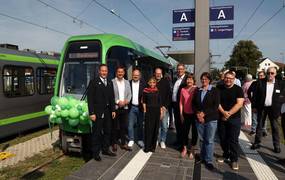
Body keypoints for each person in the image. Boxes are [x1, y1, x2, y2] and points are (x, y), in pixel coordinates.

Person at [87, 64, 116, 161]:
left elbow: (112, 97)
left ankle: (105, 149)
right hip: (97, 113)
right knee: (97, 133)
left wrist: (113, 110)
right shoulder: (94, 82)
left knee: (108, 131)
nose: (104, 72)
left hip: (108, 112)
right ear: (99, 71)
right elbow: (90, 99)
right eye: (102, 71)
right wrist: (91, 113)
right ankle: (95, 153)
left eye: (106, 71)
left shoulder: (109, 82)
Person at [251, 67, 284, 153]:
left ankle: (276, 145)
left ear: (275, 74)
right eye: (268, 73)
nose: (270, 75)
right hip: (262, 107)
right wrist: (254, 106)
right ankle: (257, 142)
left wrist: (280, 106)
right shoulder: (260, 82)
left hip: (274, 109)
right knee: (259, 125)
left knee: (275, 127)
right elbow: (255, 95)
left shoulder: (280, 84)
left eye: (272, 73)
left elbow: (283, 97)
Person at [217, 71, 244, 171]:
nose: (228, 80)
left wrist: (228, 114)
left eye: (231, 78)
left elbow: (239, 104)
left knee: (233, 140)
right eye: (226, 78)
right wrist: (223, 112)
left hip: (234, 118)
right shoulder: (219, 88)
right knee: (223, 138)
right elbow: (217, 102)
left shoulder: (238, 89)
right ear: (224, 78)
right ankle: (225, 154)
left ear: (234, 79)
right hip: (222, 117)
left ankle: (234, 159)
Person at [193, 72, 220, 170]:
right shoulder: (198, 90)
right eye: (202, 79)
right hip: (199, 118)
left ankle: (208, 160)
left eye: (206, 79)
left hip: (211, 119)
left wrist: (203, 114)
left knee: (209, 140)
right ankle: (202, 157)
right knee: (201, 139)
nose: (204, 80)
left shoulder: (214, 90)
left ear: (209, 80)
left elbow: (215, 106)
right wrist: (198, 114)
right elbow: (194, 104)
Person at [111, 66, 132, 152]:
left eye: (122, 72)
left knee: (123, 126)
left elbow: (130, 94)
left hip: (125, 107)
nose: (120, 73)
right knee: (115, 126)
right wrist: (118, 101)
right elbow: (111, 95)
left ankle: (123, 143)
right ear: (116, 73)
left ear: (124, 73)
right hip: (116, 108)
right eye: (119, 72)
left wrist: (126, 101)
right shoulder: (112, 82)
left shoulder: (127, 82)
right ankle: (114, 143)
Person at [179, 74, 198, 159]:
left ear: (194, 81)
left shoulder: (196, 89)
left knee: (195, 132)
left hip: (194, 114)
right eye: (187, 79)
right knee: (184, 132)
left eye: (191, 79)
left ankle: (192, 149)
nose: (189, 81)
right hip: (186, 114)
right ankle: (185, 148)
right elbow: (181, 103)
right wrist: (181, 114)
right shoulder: (183, 89)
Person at [142, 77, 162, 153]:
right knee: (148, 129)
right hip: (149, 111)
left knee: (155, 129)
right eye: (151, 82)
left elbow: (160, 102)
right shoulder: (145, 91)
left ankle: (153, 147)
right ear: (148, 83)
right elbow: (144, 101)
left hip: (157, 111)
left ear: (155, 83)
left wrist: (161, 112)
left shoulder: (157, 91)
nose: (152, 84)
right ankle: (147, 147)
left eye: (154, 82)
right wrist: (145, 110)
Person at [128, 69, 146, 149]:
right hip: (131, 107)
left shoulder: (143, 84)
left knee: (140, 124)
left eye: (137, 75)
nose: (135, 76)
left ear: (139, 76)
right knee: (130, 125)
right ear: (132, 75)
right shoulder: (128, 83)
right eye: (134, 75)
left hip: (140, 107)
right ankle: (131, 139)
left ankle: (140, 139)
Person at [154, 67, 171, 149]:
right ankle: (157, 139)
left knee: (164, 126)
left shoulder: (166, 82)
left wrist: (164, 107)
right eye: (156, 73)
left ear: (161, 74)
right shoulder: (152, 82)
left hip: (164, 108)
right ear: (154, 74)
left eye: (159, 73)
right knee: (157, 126)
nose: (158, 74)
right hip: (155, 108)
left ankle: (163, 140)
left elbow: (169, 95)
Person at [172, 63, 187, 149]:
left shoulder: (186, 80)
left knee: (182, 125)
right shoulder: (176, 79)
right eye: (178, 69)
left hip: (182, 106)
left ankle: (183, 144)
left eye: (181, 69)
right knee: (177, 124)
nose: (179, 70)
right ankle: (178, 140)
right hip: (175, 104)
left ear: (184, 70)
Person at [247, 71, 267, 136]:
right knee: (254, 118)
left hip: (264, 104)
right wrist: (251, 100)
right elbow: (248, 92)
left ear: (264, 76)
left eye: (261, 75)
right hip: (255, 104)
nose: (260, 77)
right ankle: (253, 130)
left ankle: (264, 130)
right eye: (259, 75)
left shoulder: (267, 83)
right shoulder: (254, 83)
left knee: (264, 118)